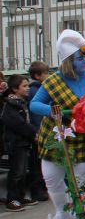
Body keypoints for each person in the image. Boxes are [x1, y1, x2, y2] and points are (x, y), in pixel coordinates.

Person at [30, 30, 85, 219]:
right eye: (79, 57)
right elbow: (34, 104)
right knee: (51, 177)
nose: (84, 60)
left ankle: (81, 212)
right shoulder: (53, 81)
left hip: (83, 137)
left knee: (83, 177)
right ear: (67, 61)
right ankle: (62, 211)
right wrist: (54, 112)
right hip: (56, 136)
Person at [2, 75, 39, 211]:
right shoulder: (11, 105)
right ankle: (11, 199)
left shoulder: (22, 102)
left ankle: (20, 196)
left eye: (28, 85)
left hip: (24, 142)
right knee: (16, 172)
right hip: (16, 143)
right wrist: (33, 133)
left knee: (23, 171)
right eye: (24, 86)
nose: (28, 88)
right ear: (14, 89)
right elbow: (19, 124)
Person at [27, 61, 50, 202]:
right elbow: (36, 114)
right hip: (39, 131)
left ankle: (41, 189)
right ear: (37, 76)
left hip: (40, 130)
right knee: (38, 163)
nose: (48, 76)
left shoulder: (41, 87)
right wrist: (37, 131)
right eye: (45, 73)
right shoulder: (36, 90)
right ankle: (38, 190)